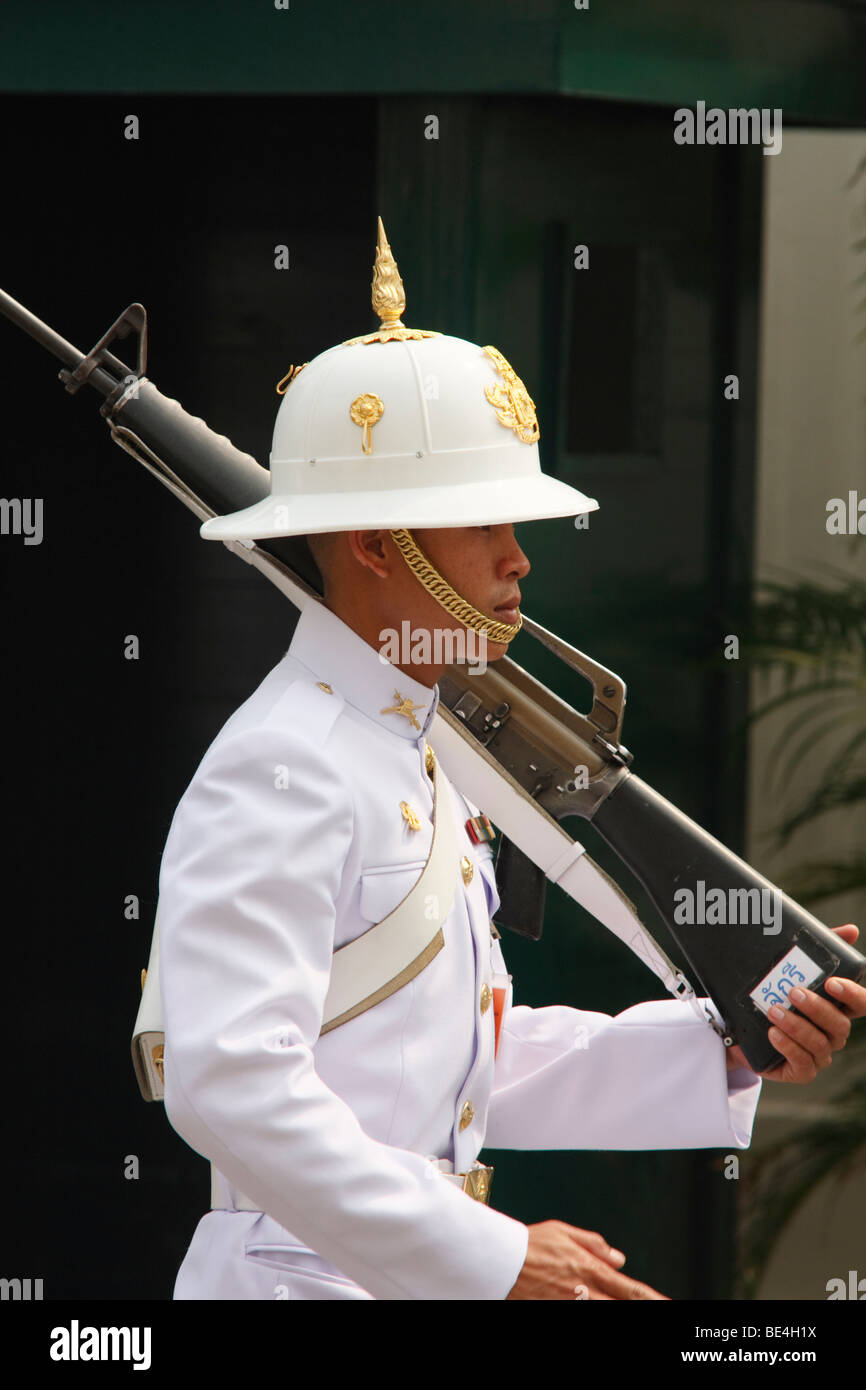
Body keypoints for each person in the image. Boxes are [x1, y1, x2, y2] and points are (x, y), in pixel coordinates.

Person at [156, 220, 865, 1300]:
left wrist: (725, 1044)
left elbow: (458, 1054)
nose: (516, 558)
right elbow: (229, 1082)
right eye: (481, 521)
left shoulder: (412, 744)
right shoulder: (284, 762)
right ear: (374, 544)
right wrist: (488, 1252)